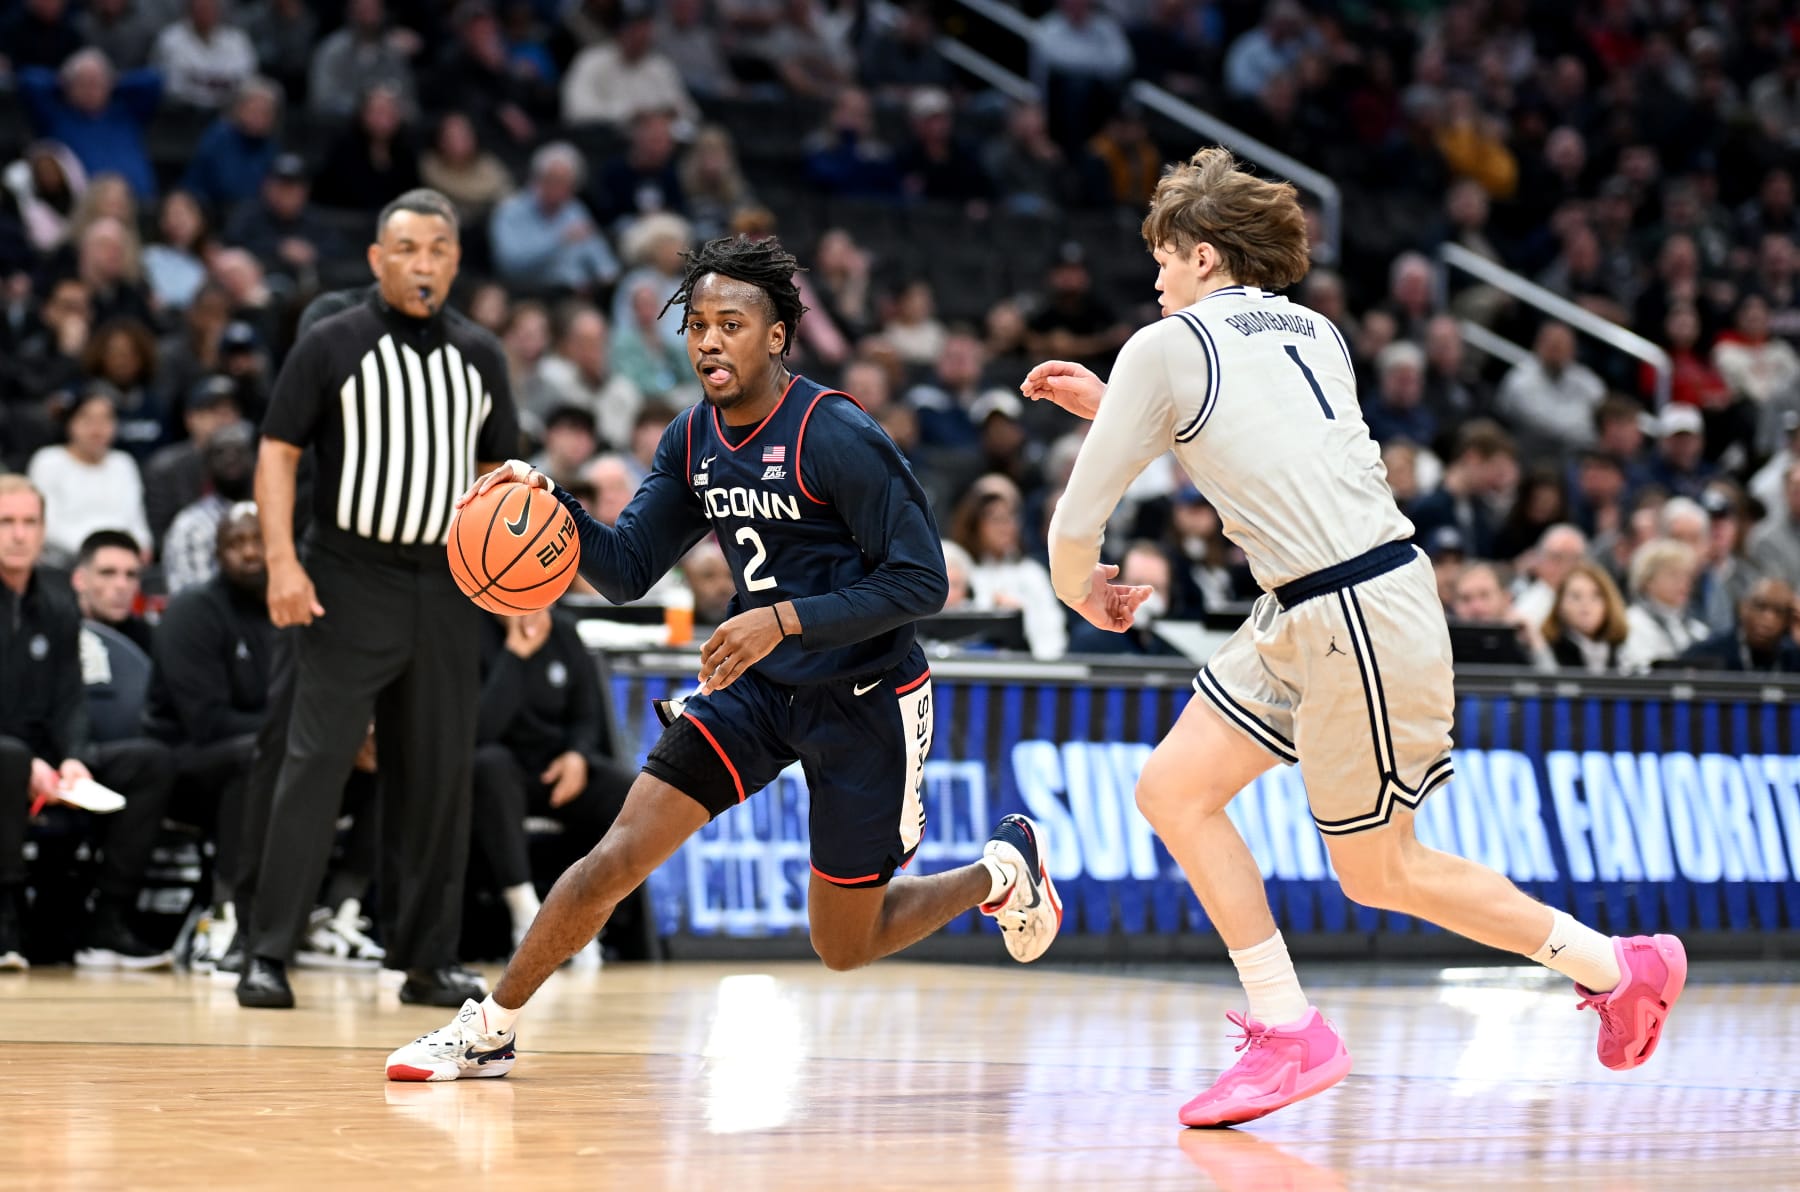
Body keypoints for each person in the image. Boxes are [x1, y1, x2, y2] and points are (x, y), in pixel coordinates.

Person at [1021, 148, 1687, 1129]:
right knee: (1172, 788)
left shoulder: (1165, 347)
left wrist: (1085, 592)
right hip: (1315, 603)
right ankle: (1286, 1023)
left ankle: (1617, 965)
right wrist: (1126, 409)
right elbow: (1270, 442)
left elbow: (1075, 528)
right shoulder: (1316, 330)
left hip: (1350, 611)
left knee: (1380, 868)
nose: (1154, 278)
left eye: (1162, 258)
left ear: (1203, 256)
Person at [384, 234, 1061, 1081]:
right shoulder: (692, 438)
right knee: (615, 857)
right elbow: (627, 569)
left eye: (730, 323)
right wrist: (546, 500)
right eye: (697, 323)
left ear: (776, 337)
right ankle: (490, 1027)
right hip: (755, 688)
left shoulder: (836, 432)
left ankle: (1000, 871)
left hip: (864, 696)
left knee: (843, 946)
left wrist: (780, 618)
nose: (708, 340)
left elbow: (923, 582)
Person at [234, 189, 521, 1010]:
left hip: (448, 583)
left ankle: (425, 959)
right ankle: (267, 950)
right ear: (376, 258)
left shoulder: (483, 356)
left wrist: (517, 588)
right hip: (347, 575)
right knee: (314, 765)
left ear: (456, 262)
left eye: (437, 249)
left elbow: (502, 482)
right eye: (406, 248)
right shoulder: (332, 342)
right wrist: (284, 564)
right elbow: (279, 453)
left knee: (437, 775)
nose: (422, 263)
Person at [0, 474, 174, 971]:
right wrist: (30, 762)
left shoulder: (56, 601)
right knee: (9, 760)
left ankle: (109, 918)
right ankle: (6, 920)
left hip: (46, 757)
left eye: (28, 522)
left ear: (42, 530)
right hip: (7, 757)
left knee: (150, 762)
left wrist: (73, 757)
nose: (18, 534)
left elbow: (70, 696)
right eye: (6, 521)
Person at [143, 503, 273, 954]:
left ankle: (341, 909)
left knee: (377, 756)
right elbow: (206, 722)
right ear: (217, 554)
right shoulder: (193, 611)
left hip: (270, 754)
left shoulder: (290, 612)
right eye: (236, 544)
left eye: (258, 540)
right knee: (254, 756)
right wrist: (296, 735)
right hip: (184, 766)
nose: (250, 553)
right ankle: (227, 913)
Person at [469, 608, 634, 954]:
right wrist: (515, 655)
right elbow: (480, 730)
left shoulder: (564, 630)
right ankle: (523, 910)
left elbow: (587, 715)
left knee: (625, 790)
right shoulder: (472, 631)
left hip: (557, 771)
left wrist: (577, 754)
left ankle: (594, 914)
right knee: (489, 766)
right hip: (501, 772)